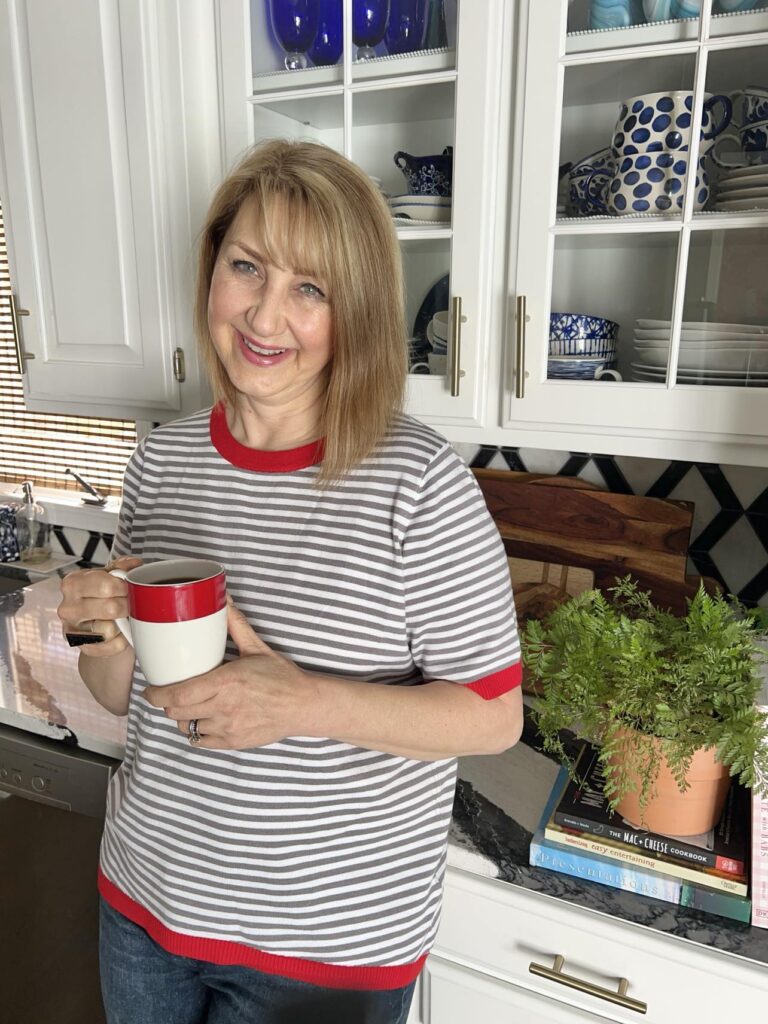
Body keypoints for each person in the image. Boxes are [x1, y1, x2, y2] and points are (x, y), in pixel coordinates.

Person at [57, 139, 523, 1024]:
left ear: (354, 315)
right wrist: (94, 634)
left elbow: (495, 716)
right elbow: (126, 697)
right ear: (213, 272)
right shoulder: (162, 461)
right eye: (247, 268)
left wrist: (302, 702)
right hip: (144, 904)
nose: (265, 316)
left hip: (324, 952)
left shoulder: (418, 484)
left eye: (309, 289)